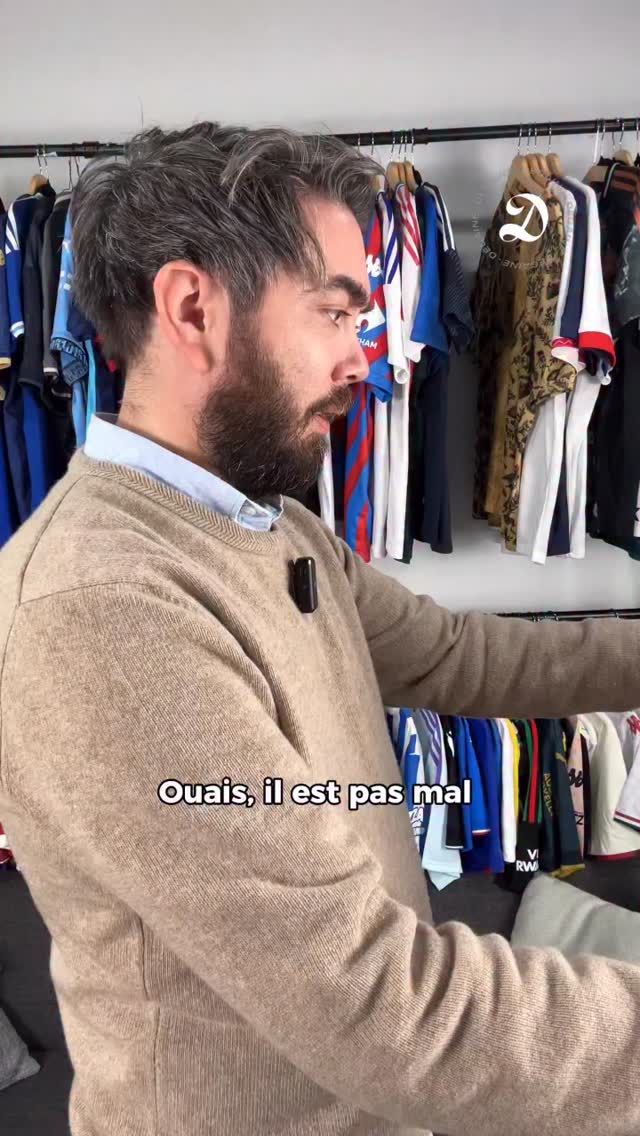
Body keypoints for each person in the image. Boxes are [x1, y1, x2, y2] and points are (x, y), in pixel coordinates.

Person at [0, 122, 638, 1136]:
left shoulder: (270, 524)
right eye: (337, 311)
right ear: (192, 307)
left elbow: (461, 656)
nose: (364, 353)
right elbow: (388, 1010)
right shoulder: (103, 609)